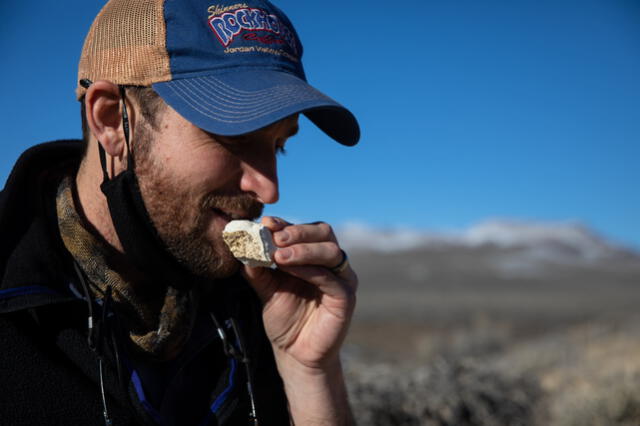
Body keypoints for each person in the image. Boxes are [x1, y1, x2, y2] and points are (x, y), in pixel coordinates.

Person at [0, 0, 360, 425]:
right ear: (113, 120)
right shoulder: (15, 301)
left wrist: (310, 371)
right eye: (236, 134)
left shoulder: (256, 304)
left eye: (279, 144)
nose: (269, 188)